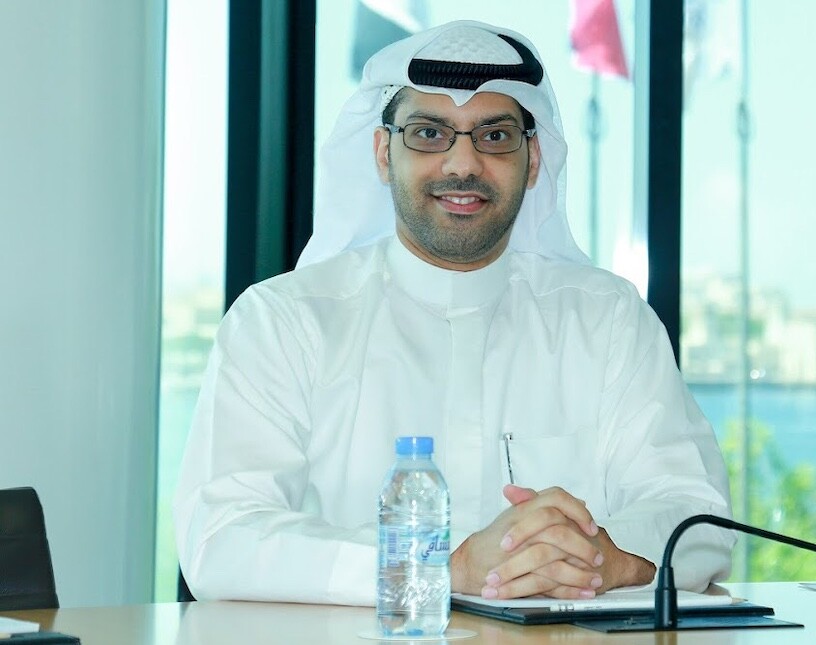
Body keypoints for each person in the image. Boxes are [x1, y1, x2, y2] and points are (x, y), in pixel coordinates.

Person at [173, 20, 734, 606]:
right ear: (383, 151)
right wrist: (443, 566)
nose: (463, 164)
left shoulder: (608, 320)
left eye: (494, 137)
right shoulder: (282, 322)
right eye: (429, 134)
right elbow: (222, 537)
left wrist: (601, 555)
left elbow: (696, 512)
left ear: (533, 158)